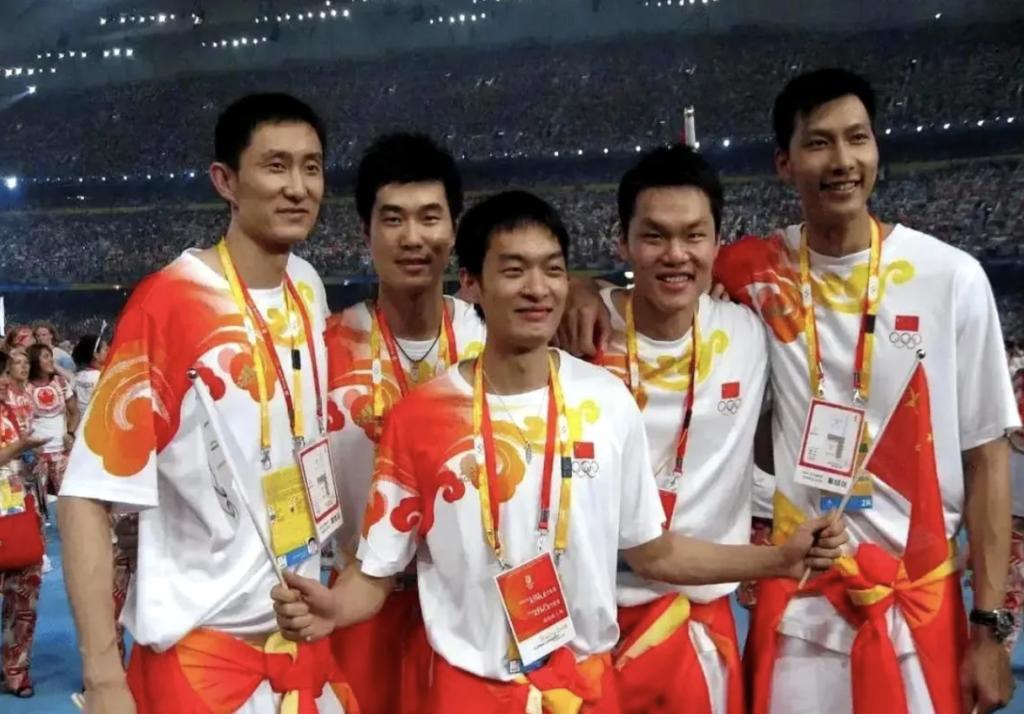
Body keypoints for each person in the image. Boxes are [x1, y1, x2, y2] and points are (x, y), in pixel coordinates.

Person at [272, 190, 846, 713]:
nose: (537, 288)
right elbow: (375, 573)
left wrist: (778, 559)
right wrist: (332, 609)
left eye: (552, 269)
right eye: (513, 270)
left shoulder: (607, 401)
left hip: (585, 689)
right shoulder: (420, 418)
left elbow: (655, 554)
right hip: (469, 693)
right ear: (470, 283)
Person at [711, 69, 1020, 714]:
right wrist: (581, 290)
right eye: (819, 142)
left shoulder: (952, 278)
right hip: (801, 610)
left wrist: (990, 627)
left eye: (857, 138)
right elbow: (658, 279)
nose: (843, 160)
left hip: (916, 606)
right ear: (784, 163)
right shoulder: (753, 270)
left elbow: (987, 457)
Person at [58, 93, 351, 713]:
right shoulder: (170, 302)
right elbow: (85, 496)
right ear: (226, 181)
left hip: (298, 648)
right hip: (203, 660)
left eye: (312, 167)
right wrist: (104, 678)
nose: (298, 187)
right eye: (275, 165)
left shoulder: (307, 288)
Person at [593, 145, 769, 714]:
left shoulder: (751, 334)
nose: (675, 254)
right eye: (654, 236)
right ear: (622, 242)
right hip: (587, 628)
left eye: (694, 235)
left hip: (698, 629)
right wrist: (575, 284)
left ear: (718, 243)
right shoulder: (577, 332)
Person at [324, 132, 486, 714]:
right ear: (365, 232)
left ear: (454, 229)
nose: (413, 237)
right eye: (392, 219)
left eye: (429, 217)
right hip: (358, 607)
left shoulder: (494, 342)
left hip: (472, 613)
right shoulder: (324, 347)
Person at [0, 351, 49, 698]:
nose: (6, 380)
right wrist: (20, 447)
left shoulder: (14, 408)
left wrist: (32, 459)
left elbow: (24, 459)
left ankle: (17, 668)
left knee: (25, 594)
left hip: (17, 506)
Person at [26, 343, 79, 498]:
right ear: (35, 361)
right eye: (46, 357)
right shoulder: (24, 387)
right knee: (38, 501)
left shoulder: (60, 382)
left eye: (51, 356)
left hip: (62, 453)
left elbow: (75, 412)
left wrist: (70, 433)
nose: (51, 360)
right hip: (37, 456)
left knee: (67, 497)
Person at [71, 334, 109, 410]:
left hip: (82, 416)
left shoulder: (77, 376)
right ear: (96, 355)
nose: (109, 352)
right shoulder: (101, 378)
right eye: (106, 349)